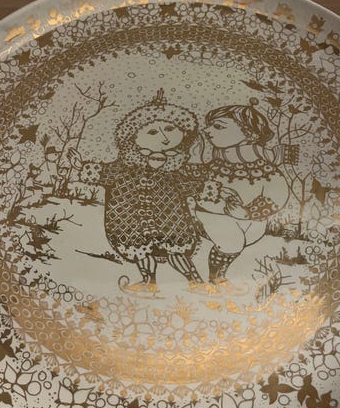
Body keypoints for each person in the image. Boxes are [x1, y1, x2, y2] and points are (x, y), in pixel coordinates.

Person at [68, 89, 219, 296]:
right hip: (129, 217)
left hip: (170, 216)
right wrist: (81, 167)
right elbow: (105, 172)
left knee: (176, 249)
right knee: (139, 249)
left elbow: (186, 184)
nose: (164, 138)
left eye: (169, 129)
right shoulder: (124, 166)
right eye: (152, 132)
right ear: (133, 137)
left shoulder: (175, 166)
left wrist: (206, 188)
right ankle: (149, 282)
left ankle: (196, 282)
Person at [196, 98, 296, 287]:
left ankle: (218, 273)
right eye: (209, 126)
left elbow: (277, 195)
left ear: (248, 133)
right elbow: (196, 187)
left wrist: (248, 212)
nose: (207, 131)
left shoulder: (265, 168)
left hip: (250, 220)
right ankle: (216, 277)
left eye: (218, 126)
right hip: (211, 214)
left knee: (242, 238)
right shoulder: (214, 165)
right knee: (231, 241)